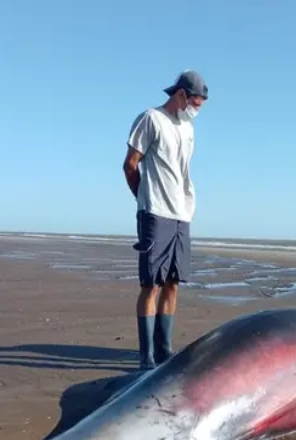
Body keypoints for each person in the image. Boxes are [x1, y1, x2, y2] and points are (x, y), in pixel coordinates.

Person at [122, 70, 208, 370]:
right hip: (155, 213)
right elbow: (130, 165)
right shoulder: (150, 119)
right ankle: (146, 358)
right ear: (181, 94)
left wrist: (185, 205)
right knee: (152, 285)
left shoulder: (188, 129)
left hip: (181, 215)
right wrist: (144, 200)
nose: (196, 109)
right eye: (195, 102)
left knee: (173, 283)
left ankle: (164, 350)